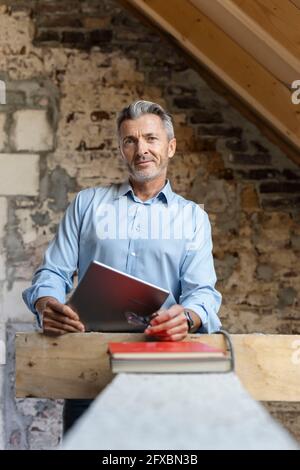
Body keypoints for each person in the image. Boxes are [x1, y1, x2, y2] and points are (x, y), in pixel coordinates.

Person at [22, 100, 222, 433]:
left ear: (170, 147)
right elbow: (52, 273)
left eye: (150, 138)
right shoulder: (87, 204)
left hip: (163, 372)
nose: (141, 149)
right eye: (130, 140)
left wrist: (187, 317)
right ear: (121, 149)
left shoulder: (193, 219)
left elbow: (202, 293)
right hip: (90, 370)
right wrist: (47, 305)